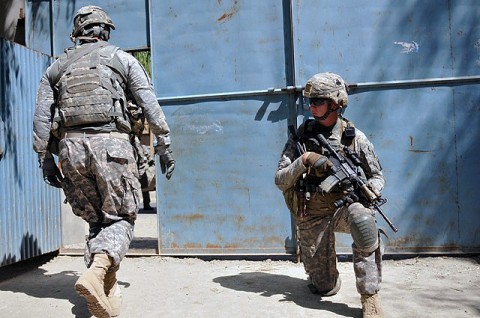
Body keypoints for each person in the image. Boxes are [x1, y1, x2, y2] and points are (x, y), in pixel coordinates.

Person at [33, 6, 175, 318]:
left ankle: (106, 289)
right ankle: (97, 272)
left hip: (70, 151)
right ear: (104, 31)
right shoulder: (122, 59)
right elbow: (149, 104)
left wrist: (45, 159)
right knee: (122, 217)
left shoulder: (55, 69)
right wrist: (164, 145)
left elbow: (42, 118)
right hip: (112, 147)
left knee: (98, 220)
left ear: (78, 32)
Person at [274, 72, 385, 318]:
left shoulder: (354, 138)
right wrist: (304, 160)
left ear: (336, 103)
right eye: (310, 102)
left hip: (343, 207)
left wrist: (370, 192)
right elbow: (280, 180)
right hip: (312, 212)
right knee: (325, 288)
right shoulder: (302, 137)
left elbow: (377, 175)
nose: (311, 106)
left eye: (317, 101)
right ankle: (326, 277)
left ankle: (370, 298)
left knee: (363, 220)